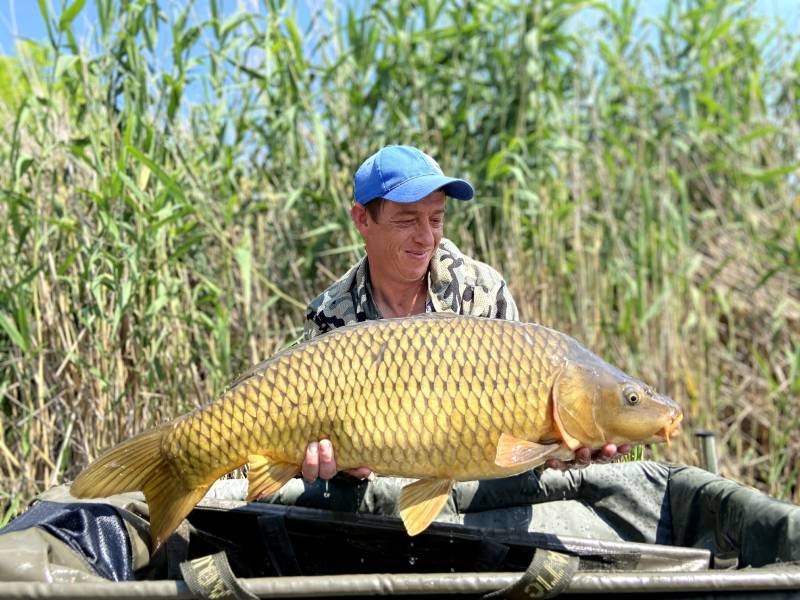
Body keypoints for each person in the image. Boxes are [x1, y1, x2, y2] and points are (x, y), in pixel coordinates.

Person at [300, 145, 629, 481]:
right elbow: (308, 441)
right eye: (407, 220)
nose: (426, 237)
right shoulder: (330, 315)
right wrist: (331, 469)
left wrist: (561, 449)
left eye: (436, 219)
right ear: (362, 220)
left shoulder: (482, 291)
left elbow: (521, 437)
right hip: (378, 500)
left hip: (476, 493)